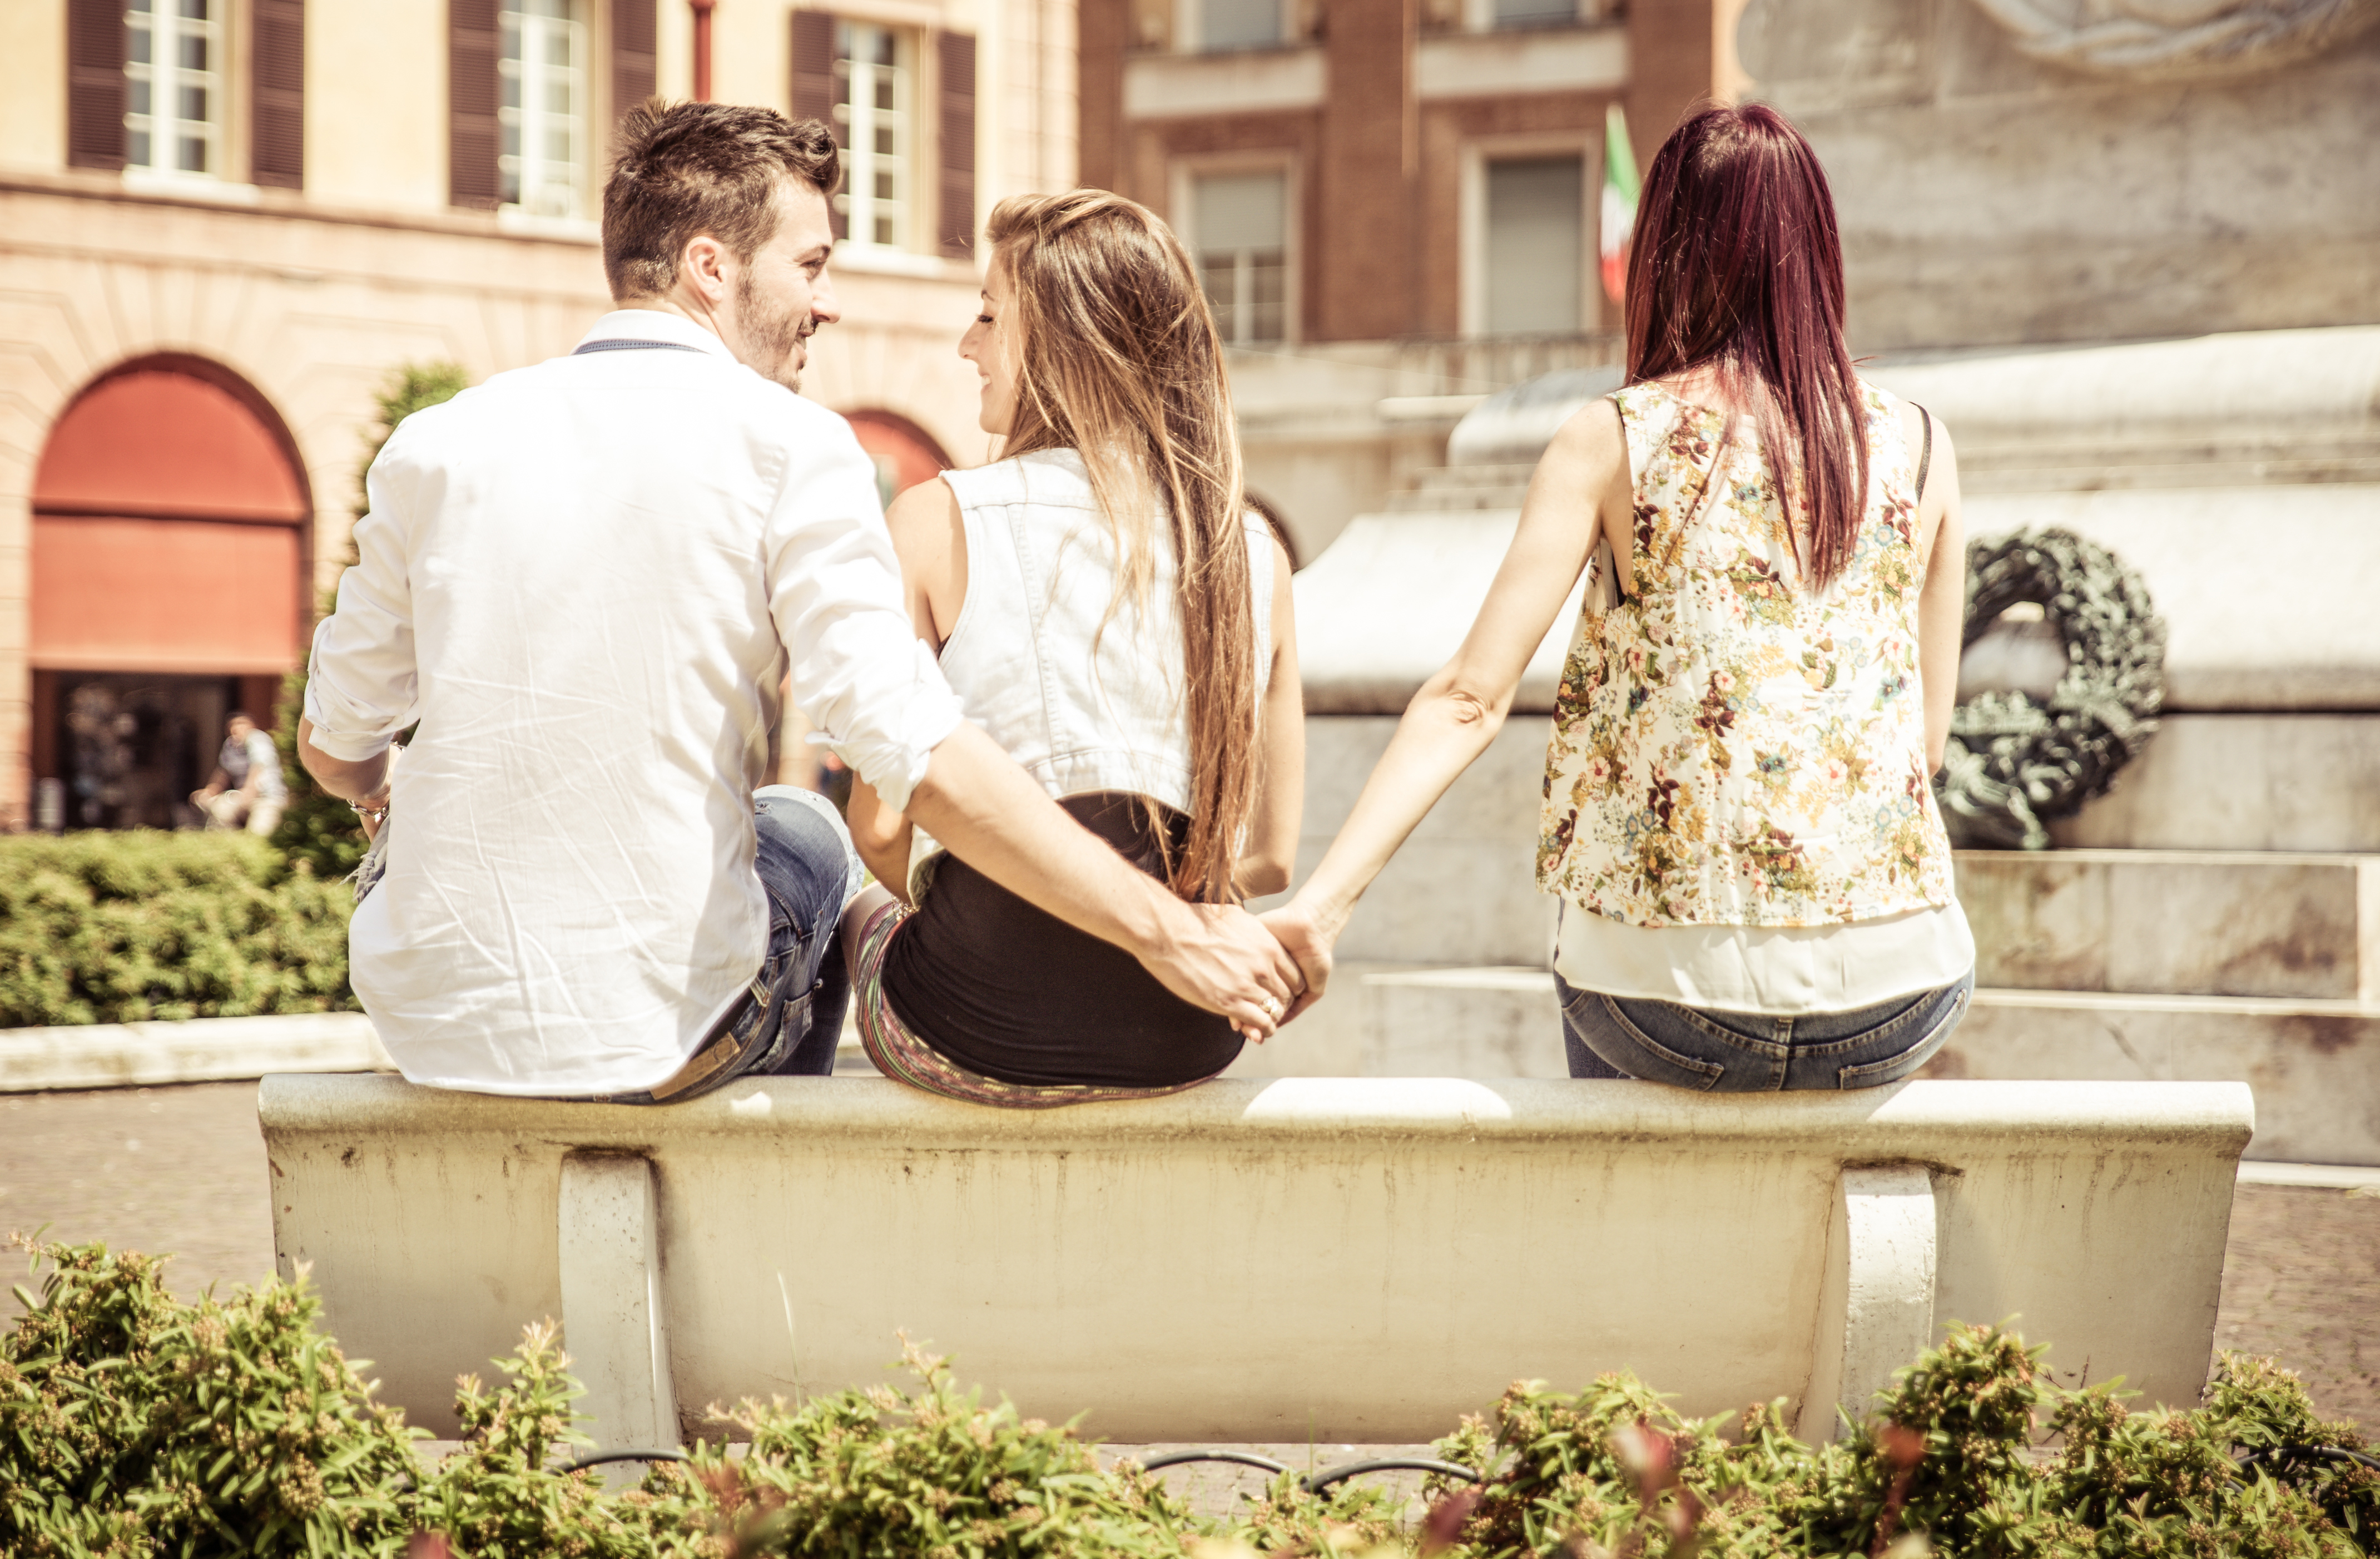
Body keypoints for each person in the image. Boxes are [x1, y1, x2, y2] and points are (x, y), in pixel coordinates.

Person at [295, 102, 1300, 1103]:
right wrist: (1168, 928)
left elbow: (334, 745)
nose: (829, 305)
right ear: (711, 269)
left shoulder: (434, 443)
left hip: (431, 1024)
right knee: (799, 828)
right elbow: (915, 749)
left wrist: (384, 793)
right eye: (812, 266)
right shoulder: (790, 444)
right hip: (665, 1037)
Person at [1263, 104, 1975, 1091]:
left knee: (1610, 967)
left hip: (1676, 1007)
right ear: (1818, 251)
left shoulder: (1612, 437)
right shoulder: (1922, 445)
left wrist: (1322, 907)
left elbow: (1470, 698)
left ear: (1664, 255)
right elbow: (1925, 747)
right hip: (1899, 996)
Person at [834, 190, 1304, 1107]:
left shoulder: (934, 519)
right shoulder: (1254, 548)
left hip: (970, 1030)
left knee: (813, 862)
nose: (966, 347)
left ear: (1059, 341)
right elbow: (1274, 857)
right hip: (1187, 1036)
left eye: (987, 316)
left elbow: (878, 828)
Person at [192, 711, 286, 836]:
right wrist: (209, 792)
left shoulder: (258, 738)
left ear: (252, 726)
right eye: (234, 725)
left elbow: (258, 767)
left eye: (242, 724)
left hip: (268, 797)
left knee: (259, 834)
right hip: (243, 797)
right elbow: (223, 772)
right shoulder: (230, 745)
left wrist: (248, 794)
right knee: (220, 812)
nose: (237, 728)